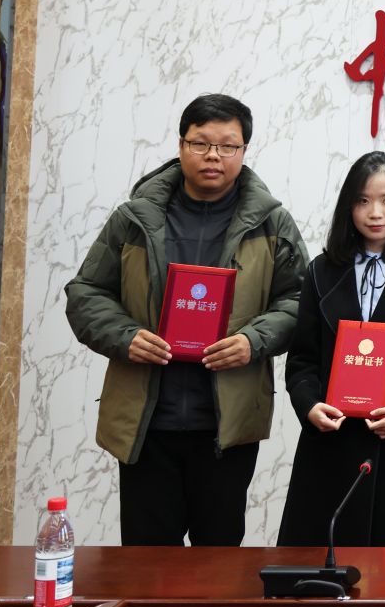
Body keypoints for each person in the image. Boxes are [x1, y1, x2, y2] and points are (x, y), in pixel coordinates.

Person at [65, 93, 307, 545]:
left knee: (218, 562)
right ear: (181, 145)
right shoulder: (135, 218)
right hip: (146, 422)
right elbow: (85, 292)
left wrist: (253, 340)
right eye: (200, 143)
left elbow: (299, 300)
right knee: (147, 562)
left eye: (227, 145)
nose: (213, 155)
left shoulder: (271, 224)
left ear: (244, 150)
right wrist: (126, 336)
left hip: (226, 424)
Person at [275, 151, 385, 546]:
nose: (375, 212)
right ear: (348, 206)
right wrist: (310, 405)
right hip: (330, 446)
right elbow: (302, 360)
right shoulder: (321, 270)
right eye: (363, 200)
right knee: (321, 566)